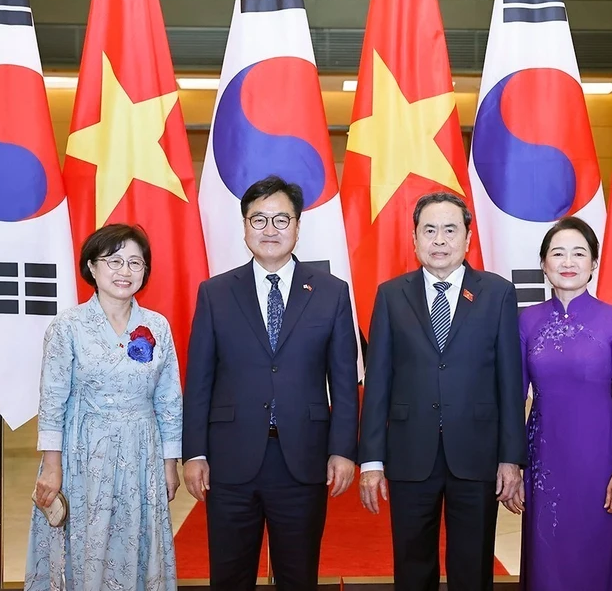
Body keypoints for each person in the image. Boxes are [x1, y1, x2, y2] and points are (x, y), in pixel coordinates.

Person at [182, 175, 360, 591]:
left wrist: (342, 449)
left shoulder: (331, 292)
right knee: (230, 576)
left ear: (297, 227)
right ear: (244, 226)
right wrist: (195, 452)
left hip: (302, 458)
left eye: (281, 219)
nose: (270, 229)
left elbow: (344, 381)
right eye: (258, 219)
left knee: (298, 576)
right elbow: (199, 380)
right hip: (230, 459)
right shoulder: (215, 293)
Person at [358, 191, 527, 591]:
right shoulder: (391, 295)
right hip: (410, 452)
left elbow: (510, 382)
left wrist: (510, 458)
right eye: (429, 230)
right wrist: (371, 460)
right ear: (414, 238)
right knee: (412, 564)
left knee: (473, 565)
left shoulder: (498, 294)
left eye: (450, 230)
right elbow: (377, 381)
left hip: (477, 452)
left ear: (467, 238)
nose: (439, 240)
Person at [26, 223, 183, 591]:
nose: (124, 271)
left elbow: (169, 399)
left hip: (143, 453)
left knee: (138, 542)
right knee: (87, 543)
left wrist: (169, 463)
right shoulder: (68, 326)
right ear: (92, 268)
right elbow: (52, 400)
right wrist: (52, 466)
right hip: (84, 455)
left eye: (135, 262)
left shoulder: (157, 326)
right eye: (114, 261)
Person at [516, 216, 612, 591]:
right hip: (543, 462)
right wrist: (512, 464)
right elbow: (514, 398)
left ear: (594, 263)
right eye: (558, 253)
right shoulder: (526, 321)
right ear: (543, 264)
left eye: (579, 253)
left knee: (596, 556)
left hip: (600, 464)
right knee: (548, 560)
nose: (568, 262)